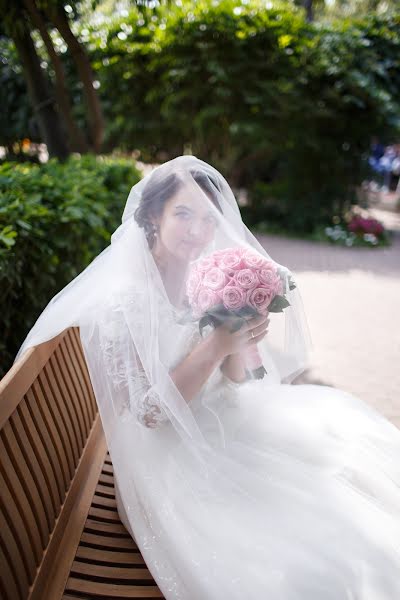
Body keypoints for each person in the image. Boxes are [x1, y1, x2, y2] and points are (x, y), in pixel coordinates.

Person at [14, 156, 400, 599]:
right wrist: (216, 343)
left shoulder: (206, 277)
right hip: (168, 456)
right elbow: (150, 413)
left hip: (226, 418)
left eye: (206, 217)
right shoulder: (125, 302)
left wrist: (239, 339)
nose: (198, 229)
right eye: (183, 213)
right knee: (311, 545)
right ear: (153, 217)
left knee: (349, 458)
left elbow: (236, 381)